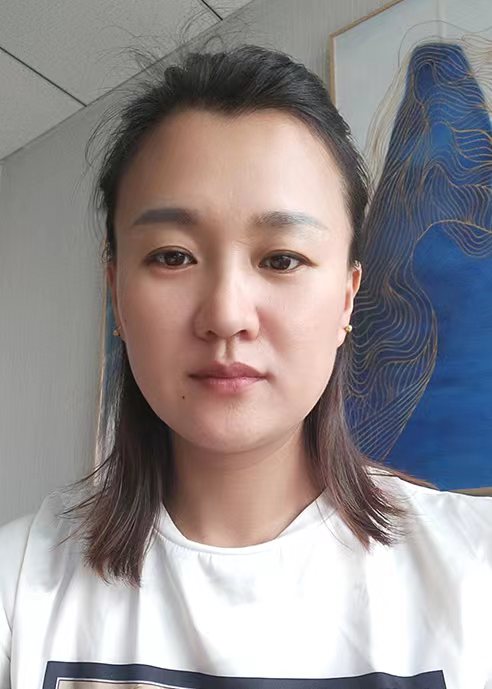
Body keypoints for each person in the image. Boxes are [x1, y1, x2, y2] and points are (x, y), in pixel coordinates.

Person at [0, 41, 491, 689]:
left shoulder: (475, 573)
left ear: (347, 298)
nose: (227, 314)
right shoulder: (18, 588)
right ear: (116, 292)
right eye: (172, 256)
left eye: (282, 259)